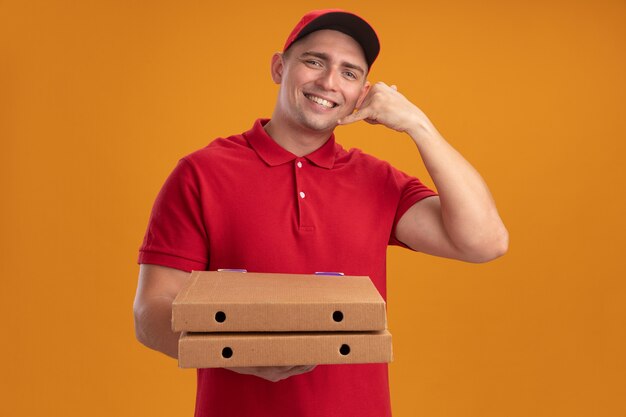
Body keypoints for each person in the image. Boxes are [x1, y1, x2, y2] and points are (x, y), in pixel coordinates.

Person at [133, 9, 508, 417]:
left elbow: (485, 242)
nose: (328, 82)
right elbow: (150, 314)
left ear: (363, 92)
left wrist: (419, 126)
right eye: (314, 61)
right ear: (279, 67)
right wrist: (243, 353)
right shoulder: (201, 173)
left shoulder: (378, 180)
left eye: (350, 73)